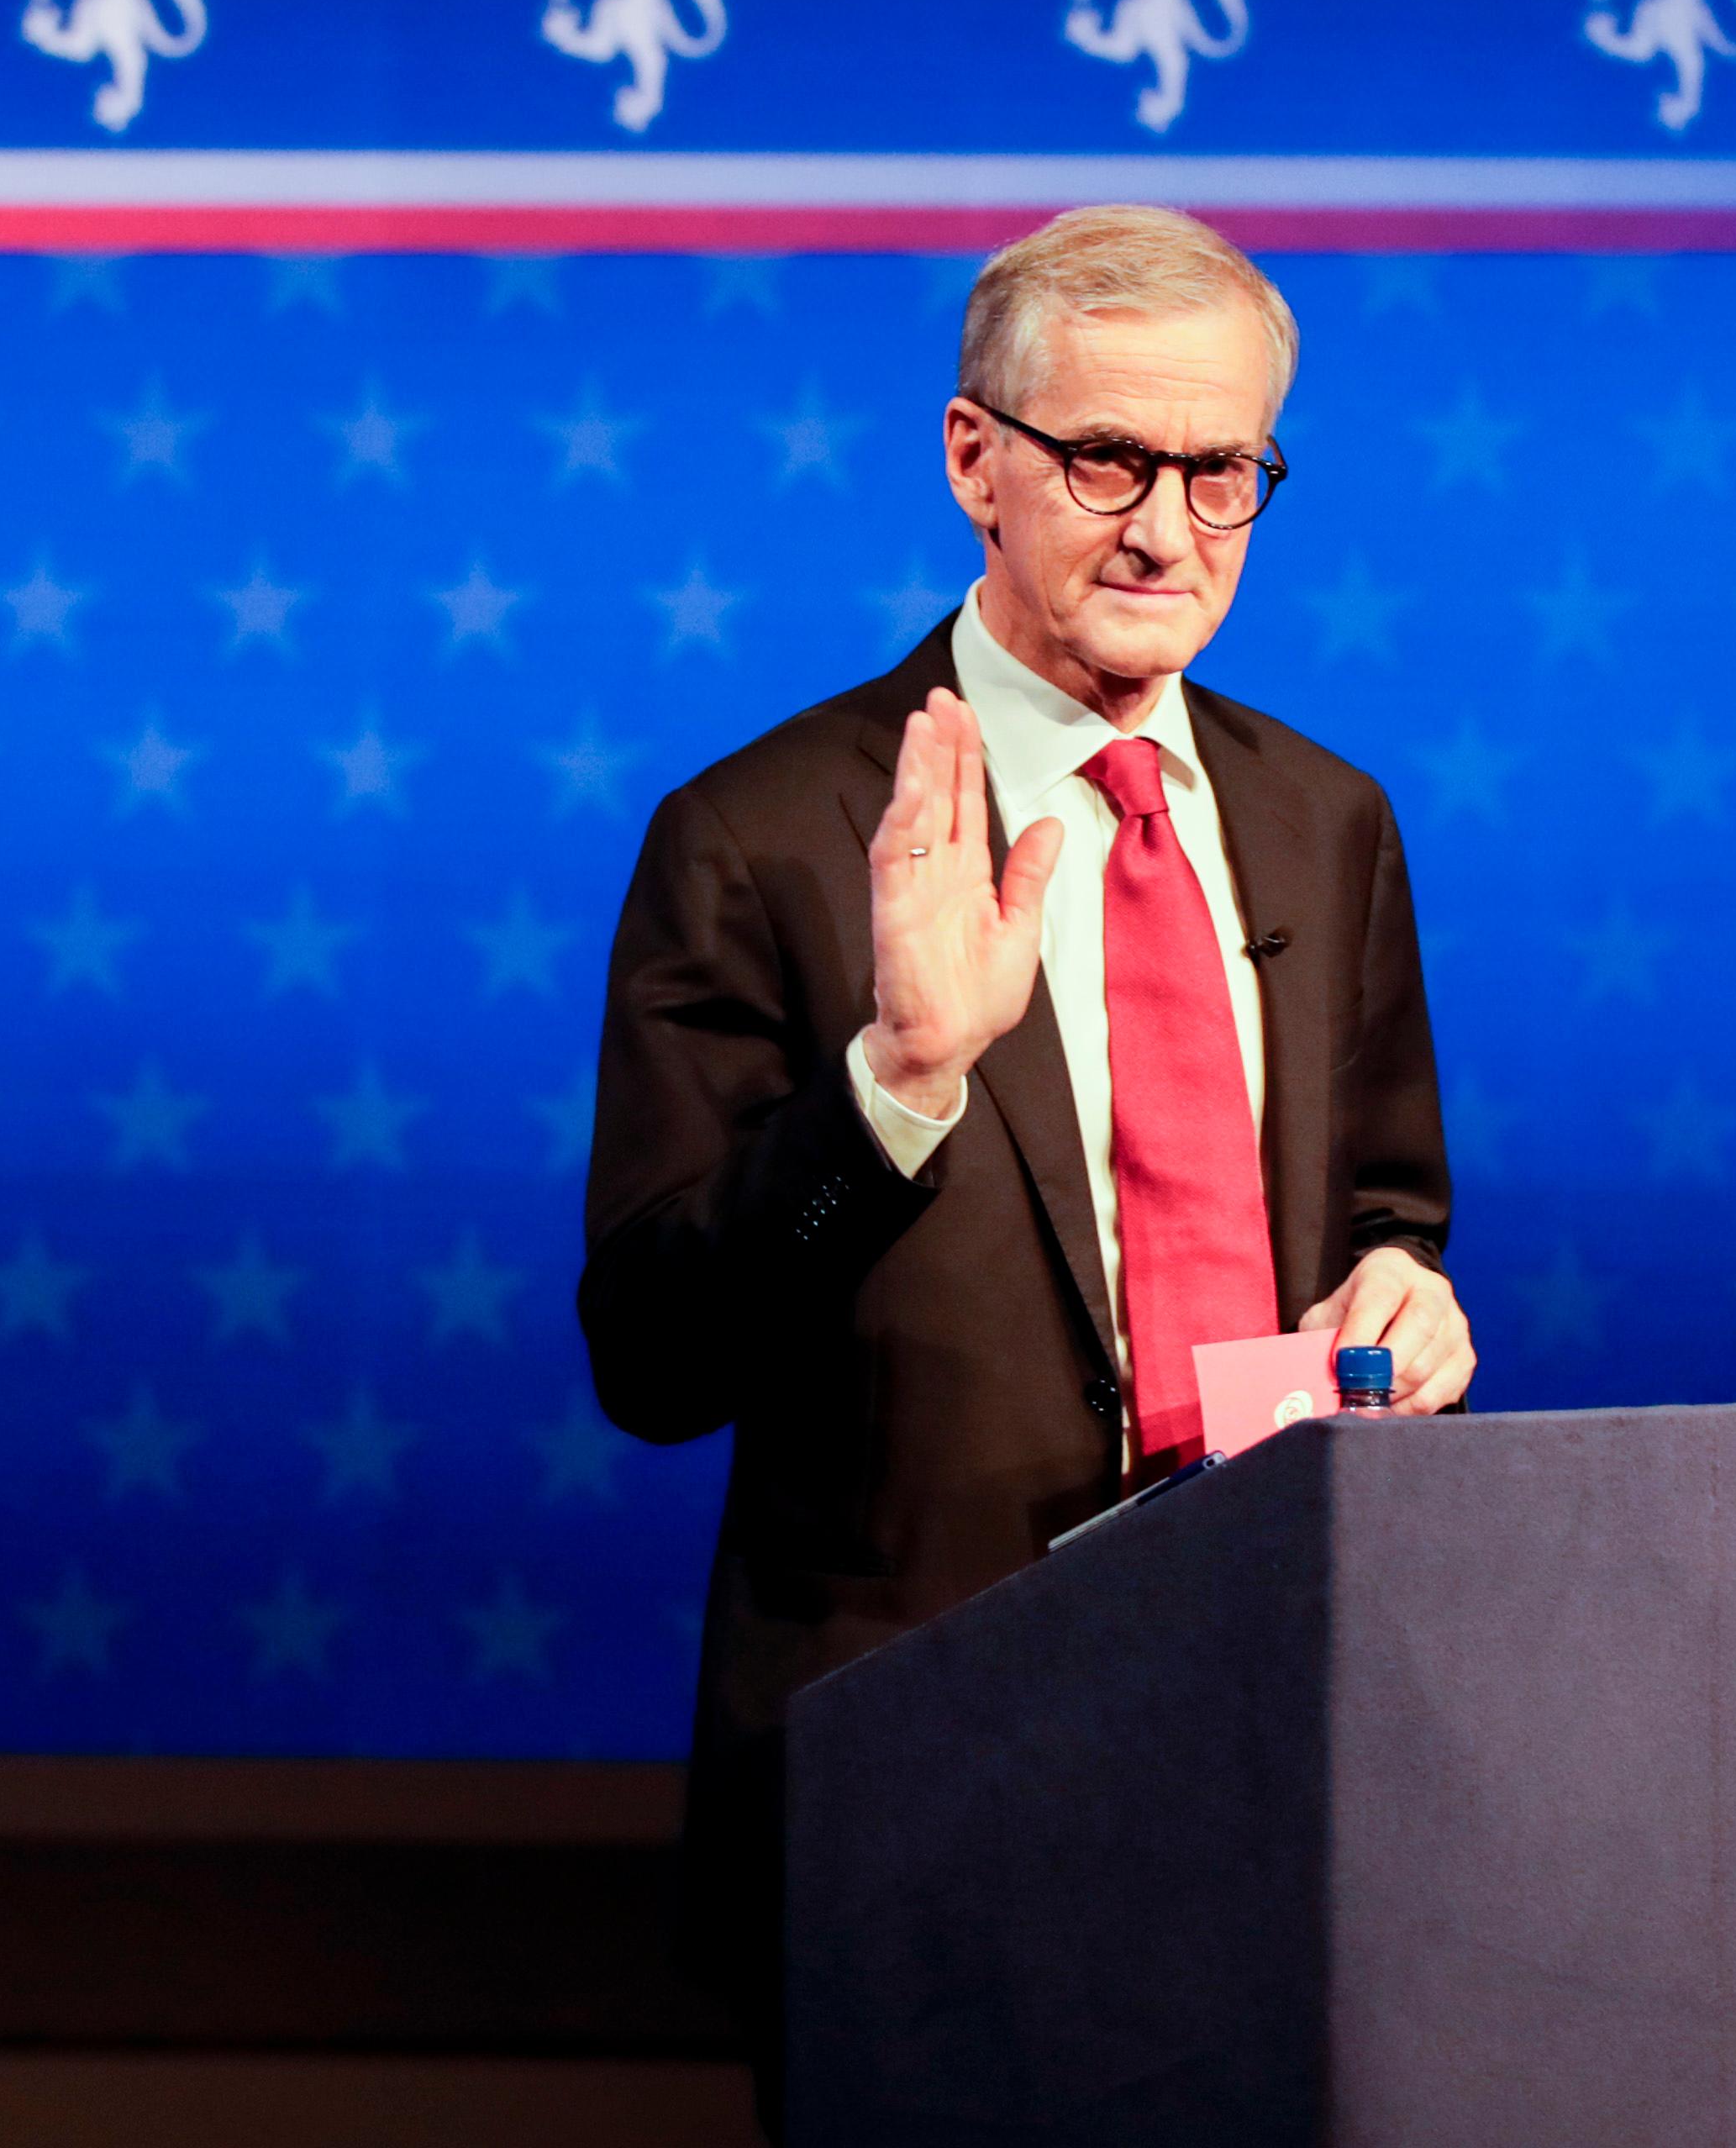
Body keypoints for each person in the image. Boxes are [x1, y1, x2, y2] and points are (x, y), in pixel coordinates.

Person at [576, 205, 1470, 2113]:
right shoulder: (764, 840)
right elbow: (652, 1356)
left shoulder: (1328, 826)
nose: (1166, 528)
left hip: (1274, 1762)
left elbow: (1387, 1221)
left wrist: (1410, 1306)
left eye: (1220, 471)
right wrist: (897, 1077)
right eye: (1106, 461)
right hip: (918, 1799)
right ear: (976, 457)